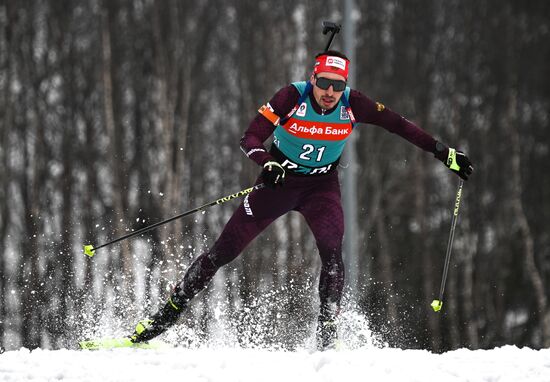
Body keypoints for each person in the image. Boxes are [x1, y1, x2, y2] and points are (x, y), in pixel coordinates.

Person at [129, 50, 473, 350]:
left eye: (337, 86)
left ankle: (327, 339)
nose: (330, 92)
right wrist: (267, 162)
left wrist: (444, 153)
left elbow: (399, 125)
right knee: (223, 252)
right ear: (314, 78)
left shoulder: (354, 103)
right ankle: (164, 317)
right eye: (324, 83)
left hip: (321, 188)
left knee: (333, 255)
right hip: (278, 183)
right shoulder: (291, 97)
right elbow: (249, 137)